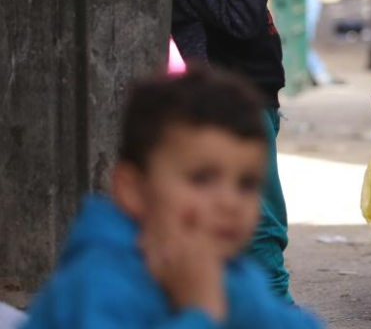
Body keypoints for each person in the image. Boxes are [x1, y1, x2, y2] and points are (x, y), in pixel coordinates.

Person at [22, 70, 323, 329]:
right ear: (134, 190)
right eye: (202, 178)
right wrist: (202, 312)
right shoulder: (96, 285)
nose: (230, 202)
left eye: (246, 184)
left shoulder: (227, 271)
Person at [170, 0, 293, 302]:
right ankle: (274, 307)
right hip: (232, 108)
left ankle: (245, 302)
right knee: (263, 218)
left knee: (250, 213)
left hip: (254, 105)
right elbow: (240, 22)